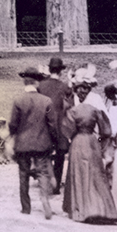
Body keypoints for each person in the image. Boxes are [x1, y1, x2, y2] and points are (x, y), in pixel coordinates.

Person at [61, 75, 117, 224]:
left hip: (78, 142)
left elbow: (67, 130)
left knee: (79, 174)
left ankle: (81, 208)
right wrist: (100, 142)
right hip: (92, 142)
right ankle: (100, 208)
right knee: (95, 174)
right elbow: (106, 131)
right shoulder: (95, 110)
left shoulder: (73, 110)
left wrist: (73, 137)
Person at [8, 68, 61, 219]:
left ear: (25, 82)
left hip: (23, 144)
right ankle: (45, 200)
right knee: (43, 172)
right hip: (42, 144)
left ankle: (26, 207)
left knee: (23, 174)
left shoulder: (18, 100)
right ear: (37, 82)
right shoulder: (46, 101)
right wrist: (55, 142)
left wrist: (12, 136)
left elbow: (13, 124)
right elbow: (53, 126)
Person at [37, 57, 74, 191]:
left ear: (50, 69)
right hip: (59, 124)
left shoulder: (41, 86)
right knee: (59, 154)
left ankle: (45, 181)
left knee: (44, 154)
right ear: (60, 71)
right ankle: (56, 184)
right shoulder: (63, 86)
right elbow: (70, 102)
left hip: (44, 123)